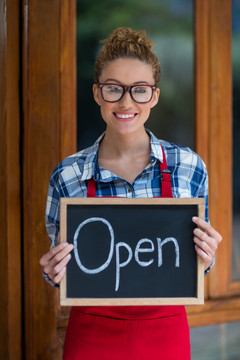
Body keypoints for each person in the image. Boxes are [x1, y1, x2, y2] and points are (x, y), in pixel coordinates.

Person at [40, 27, 222, 359]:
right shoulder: (67, 174)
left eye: (139, 90)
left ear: (154, 95)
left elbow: (196, 265)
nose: (126, 102)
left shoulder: (189, 166)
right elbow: (63, 267)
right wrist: (52, 272)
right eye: (113, 89)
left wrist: (207, 258)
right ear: (97, 93)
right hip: (92, 337)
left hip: (166, 336)